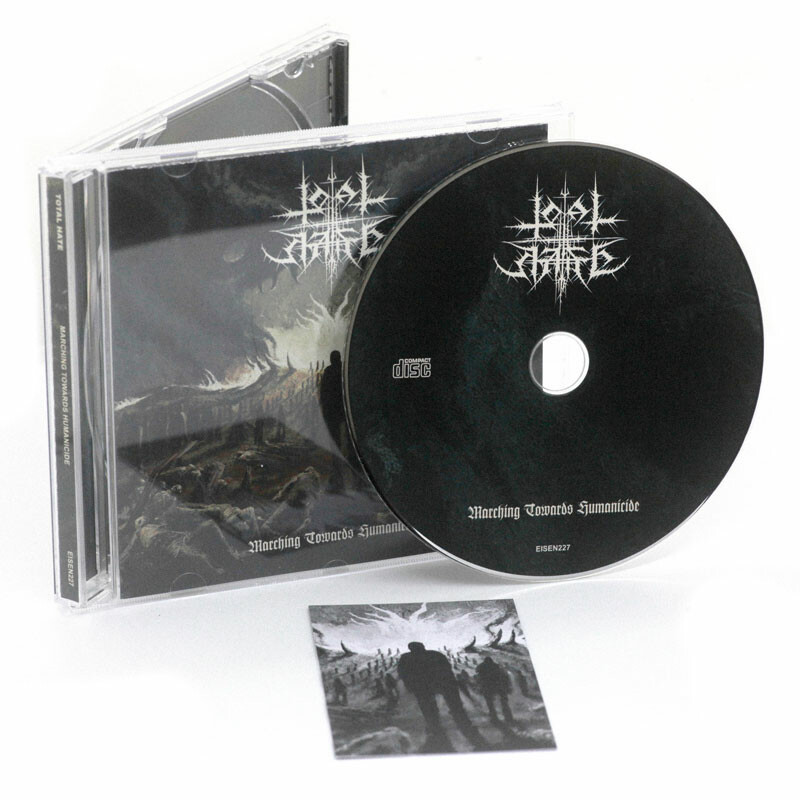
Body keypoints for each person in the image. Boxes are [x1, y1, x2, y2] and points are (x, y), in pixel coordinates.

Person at [397, 642, 487, 749]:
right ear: (423, 647)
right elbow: (447, 668)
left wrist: (411, 686)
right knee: (456, 708)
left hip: (424, 686)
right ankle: (466, 727)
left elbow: (403, 673)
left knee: (429, 710)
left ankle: (436, 730)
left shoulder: (407, 658)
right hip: (444, 683)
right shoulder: (435, 654)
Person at [476, 657, 514, 723]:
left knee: (490, 704)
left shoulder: (481, 668)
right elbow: (504, 677)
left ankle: (494, 718)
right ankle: (508, 717)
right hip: (498, 686)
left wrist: (480, 688)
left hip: (488, 687)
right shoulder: (496, 667)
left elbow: (479, 679)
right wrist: (507, 687)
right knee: (504, 703)